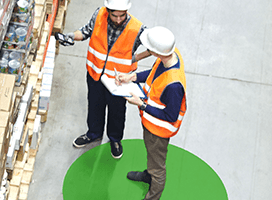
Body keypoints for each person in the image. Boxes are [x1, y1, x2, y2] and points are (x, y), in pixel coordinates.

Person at [62, 0, 151, 159]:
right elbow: (85, 32)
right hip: (95, 74)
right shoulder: (99, 14)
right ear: (108, 10)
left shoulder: (138, 28)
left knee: (117, 111)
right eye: (114, 15)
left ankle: (115, 139)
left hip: (119, 81)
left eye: (122, 15)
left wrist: (135, 57)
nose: (118, 19)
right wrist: (72, 36)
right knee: (95, 104)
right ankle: (94, 133)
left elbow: (154, 47)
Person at [116, 26, 187, 199]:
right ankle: (148, 176)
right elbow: (153, 73)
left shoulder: (174, 85)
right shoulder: (171, 54)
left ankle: (153, 195)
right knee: (152, 157)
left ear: (156, 52)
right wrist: (132, 77)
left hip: (159, 131)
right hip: (150, 124)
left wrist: (141, 104)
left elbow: (170, 116)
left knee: (158, 167)